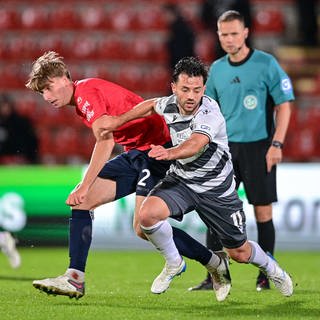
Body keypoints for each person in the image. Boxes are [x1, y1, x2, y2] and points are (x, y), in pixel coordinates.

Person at [25, 51, 231, 300]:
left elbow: (104, 140)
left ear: (63, 78)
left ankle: (214, 262)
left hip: (157, 151)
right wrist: (84, 187)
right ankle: (75, 278)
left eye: (48, 88)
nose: (46, 96)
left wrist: (84, 183)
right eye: (41, 93)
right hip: (137, 153)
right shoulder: (84, 97)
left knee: (142, 227)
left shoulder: (86, 94)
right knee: (85, 201)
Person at [99, 56, 294, 300]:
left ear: (204, 88)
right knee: (146, 216)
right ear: (174, 88)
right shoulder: (169, 104)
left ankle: (271, 268)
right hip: (183, 181)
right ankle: (174, 262)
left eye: (197, 89)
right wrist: (118, 120)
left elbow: (195, 144)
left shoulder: (209, 112)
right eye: (185, 89)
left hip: (216, 189)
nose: (191, 96)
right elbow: (150, 105)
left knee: (239, 253)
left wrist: (168, 152)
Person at [189, 10, 294, 292]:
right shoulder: (218, 69)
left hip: (260, 147)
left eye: (234, 33)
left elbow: (284, 104)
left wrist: (277, 144)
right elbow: (208, 110)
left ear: (246, 32)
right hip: (224, 151)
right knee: (213, 208)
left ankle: (266, 274)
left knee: (262, 212)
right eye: (224, 34)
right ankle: (216, 276)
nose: (229, 39)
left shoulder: (266, 63)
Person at [0, 93, 39, 164]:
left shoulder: (22, 122)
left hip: (20, 158)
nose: (3, 108)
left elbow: (31, 141)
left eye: (5, 105)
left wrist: (28, 157)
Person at [162, 4, 195, 71]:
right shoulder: (177, 26)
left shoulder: (179, 27)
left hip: (182, 62)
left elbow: (180, 47)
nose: (165, 17)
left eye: (166, 14)